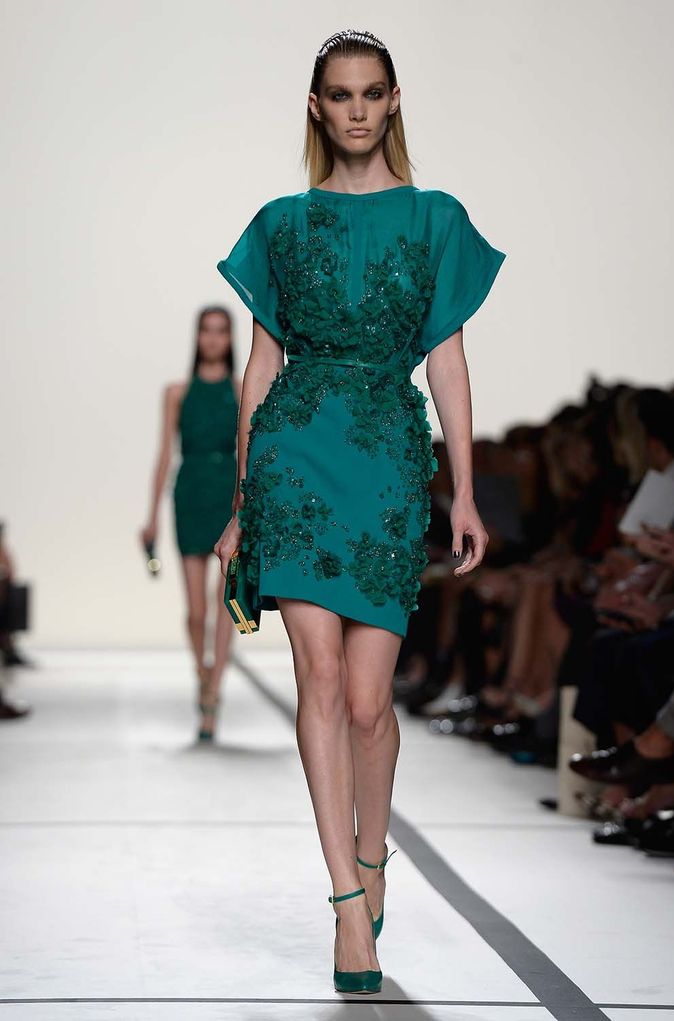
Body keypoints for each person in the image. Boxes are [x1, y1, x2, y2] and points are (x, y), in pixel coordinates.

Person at [214, 29, 506, 993]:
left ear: (393, 101)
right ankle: (346, 900)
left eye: (371, 93)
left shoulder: (434, 218)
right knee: (322, 675)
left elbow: (448, 362)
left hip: (386, 459)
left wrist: (464, 489)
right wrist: (243, 501)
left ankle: (372, 855)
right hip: (296, 457)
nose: (356, 110)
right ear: (317, 106)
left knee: (372, 703)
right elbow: (260, 367)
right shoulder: (281, 223)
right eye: (339, 95)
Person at [141, 307, 241, 741]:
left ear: (230, 338)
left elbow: (250, 448)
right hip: (190, 493)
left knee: (225, 603)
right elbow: (165, 454)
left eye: (221, 331)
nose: (213, 339)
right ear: (197, 336)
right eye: (207, 331)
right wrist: (151, 517)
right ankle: (201, 673)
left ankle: (214, 692)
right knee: (196, 610)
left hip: (227, 494)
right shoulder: (176, 393)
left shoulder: (241, 390)